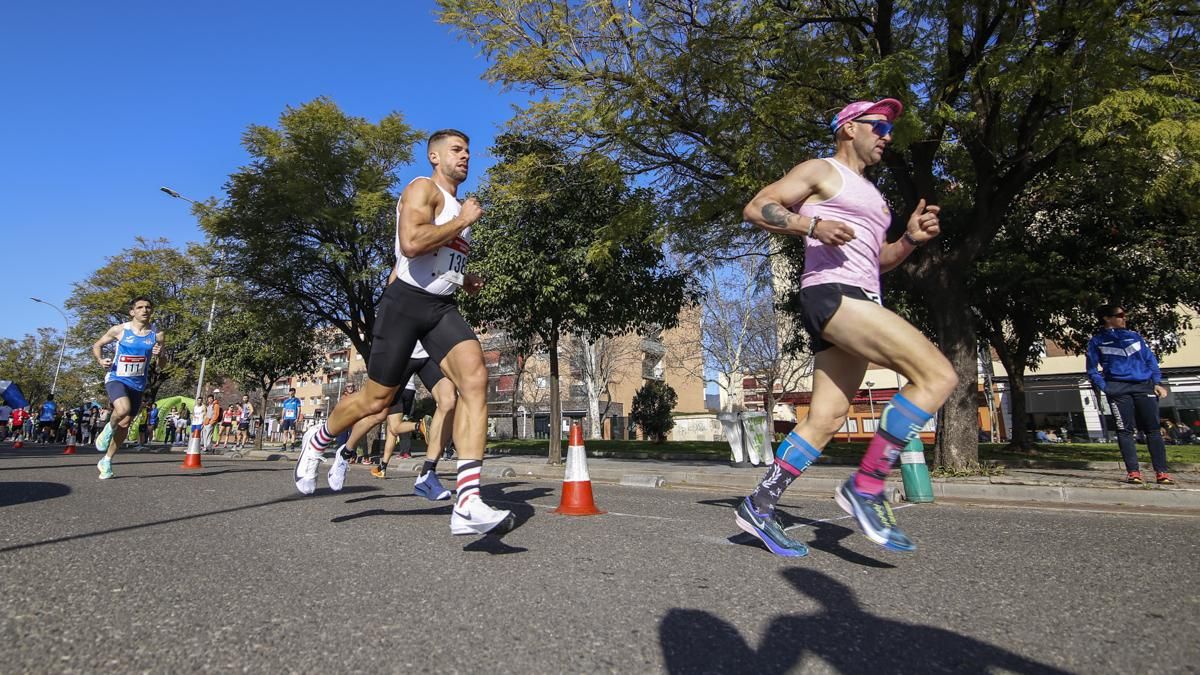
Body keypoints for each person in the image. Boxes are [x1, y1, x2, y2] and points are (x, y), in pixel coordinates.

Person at [735, 98, 956, 557]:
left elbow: (879, 261)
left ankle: (760, 503)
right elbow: (757, 207)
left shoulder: (874, 197)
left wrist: (910, 240)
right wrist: (809, 224)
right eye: (880, 126)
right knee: (938, 375)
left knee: (828, 418)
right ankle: (867, 484)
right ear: (850, 128)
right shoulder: (821, 170)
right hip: (833, 295)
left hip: (860, 295)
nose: (887, 135)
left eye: (889, 128)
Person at [293, 128, 512, 536]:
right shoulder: (422, 190)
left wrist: (465, 281)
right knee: (374, 403)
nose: (466, 156)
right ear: (434, 157)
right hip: (404, 303)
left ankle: (467, 500)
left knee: (476, 378)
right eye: (456, 150)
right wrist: (463, 219)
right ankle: (318, 439)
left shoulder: (460, 208)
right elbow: (411, 243)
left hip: (441, 307)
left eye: (468, 151)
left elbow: (442, 261)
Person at [333, 342, 456, 501]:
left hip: (422, 360)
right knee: (381, 417)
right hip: (401, 364)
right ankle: (342, 451)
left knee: (449, 401)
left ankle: (425, 472)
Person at [1086, 305, 1174, 485]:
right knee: (1124, 431)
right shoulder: (1097, 341)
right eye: (1120, 315)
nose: (1124, 318)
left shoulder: (1134, 337)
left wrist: (1157, 382)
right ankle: (1133, 472)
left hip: (1143, 386)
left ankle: (1162, 472)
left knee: (1153, 429)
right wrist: (1106, 388)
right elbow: (1092, 370)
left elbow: (1150, 360)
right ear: (1106, 318)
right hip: (1118, 388)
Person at [91, 297, 165, 479]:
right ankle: (108, 428)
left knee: (124, 424)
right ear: (132, 312)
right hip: (117, 378)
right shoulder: (119, 330)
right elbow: (97, 345)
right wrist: (101, 360)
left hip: (138, 384)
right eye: (139, 307)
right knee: (122, 410)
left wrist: (161, 354)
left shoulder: (157, 334)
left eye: (148, 307)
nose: (144, 310)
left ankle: (106, 460)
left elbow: (162, 365)